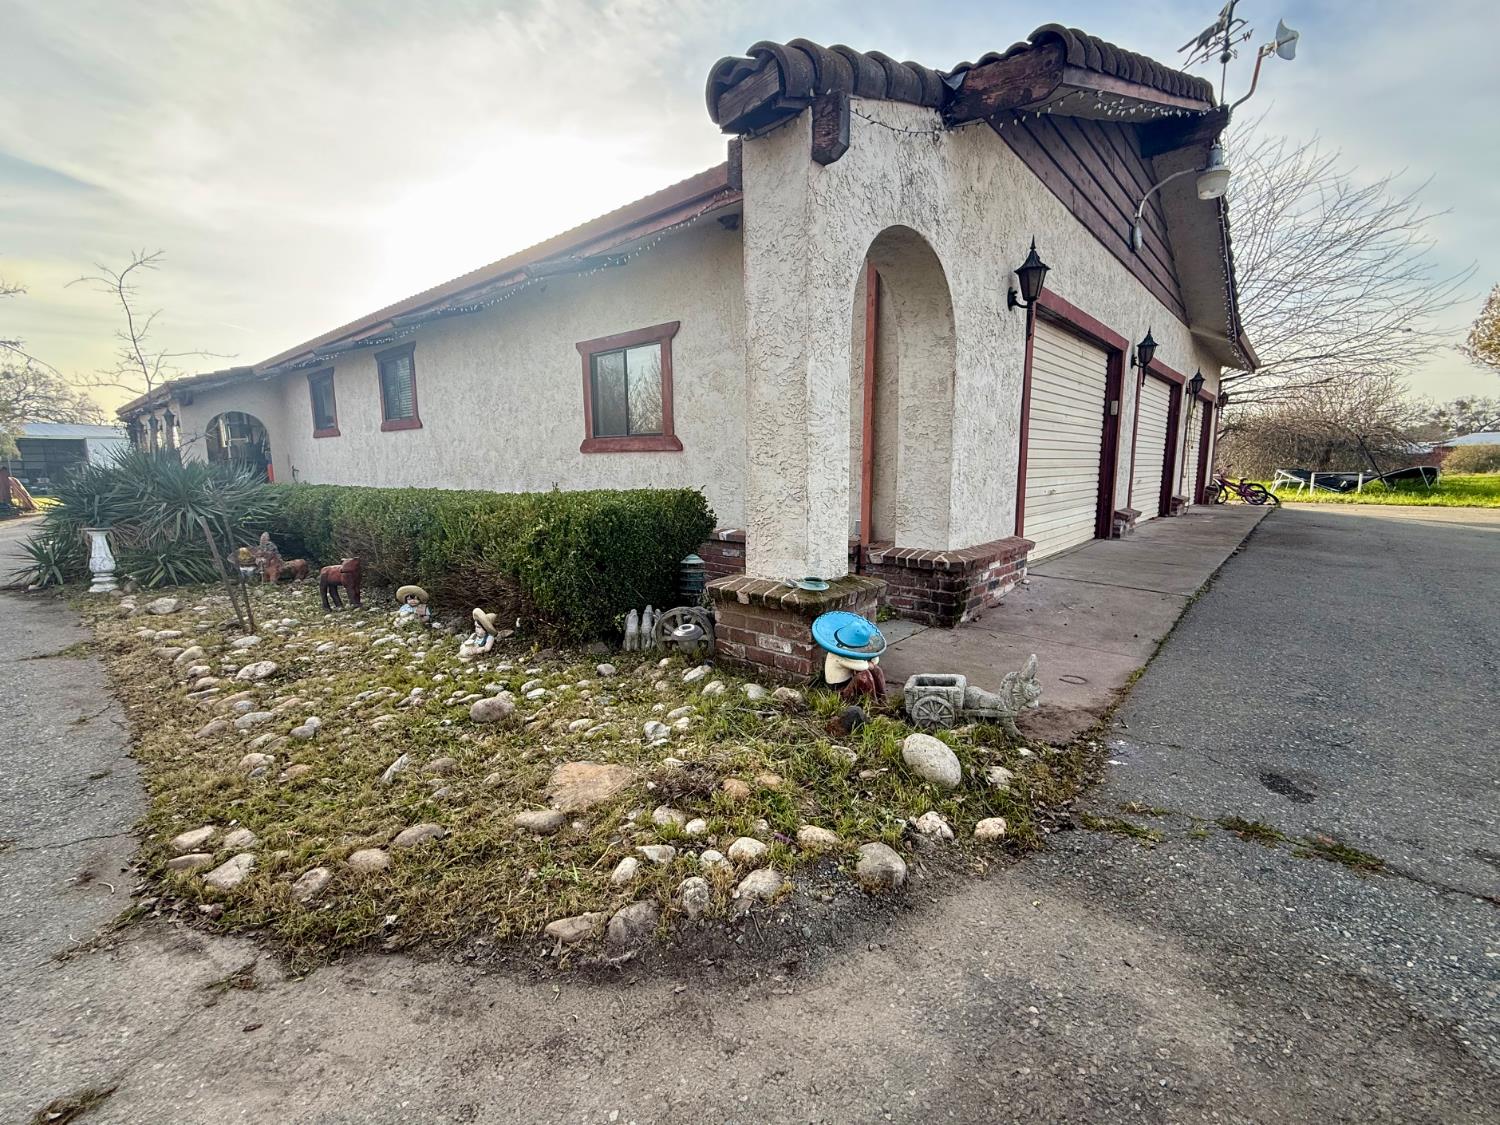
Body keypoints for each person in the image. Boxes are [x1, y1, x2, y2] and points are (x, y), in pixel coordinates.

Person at [811, 611, 888, 702]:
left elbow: (875, 660)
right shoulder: (838, 655)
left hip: (849, 682)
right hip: (839, 690)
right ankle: (873, 703)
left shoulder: (851, 651)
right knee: (864, 676)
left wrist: (873, 657)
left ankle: (883, 698)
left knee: (876, 669)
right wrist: (869, 664)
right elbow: (860, 666)